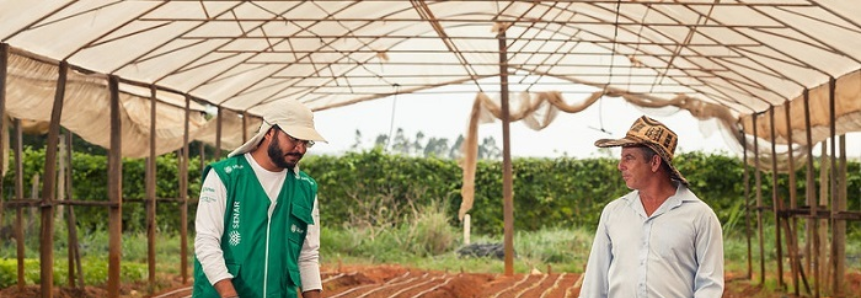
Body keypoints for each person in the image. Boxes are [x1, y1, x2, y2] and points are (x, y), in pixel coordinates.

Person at [578, 115, 724, 298]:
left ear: (655, 162)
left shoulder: (700, 216)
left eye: (629, 158)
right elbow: (595, 282)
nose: (620, 166)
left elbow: (709, 286)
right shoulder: (614, 213)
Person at [192, 100, 326, 298]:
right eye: (293, 139)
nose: (300, 149)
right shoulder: (225, 176)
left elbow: (307, 255)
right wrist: (229, 293)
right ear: (270, 132)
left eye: (306, 142)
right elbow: (206, 241)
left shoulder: (305, 188)